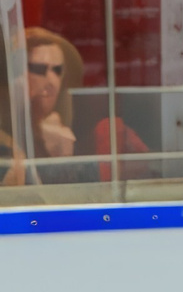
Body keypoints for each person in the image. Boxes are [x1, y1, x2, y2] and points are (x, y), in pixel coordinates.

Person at [0, 27, 143, 182]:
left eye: (57, 70)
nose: (51, 81)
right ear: (14, 77)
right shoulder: (6, 144)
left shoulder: (88, 133)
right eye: (38, 69)